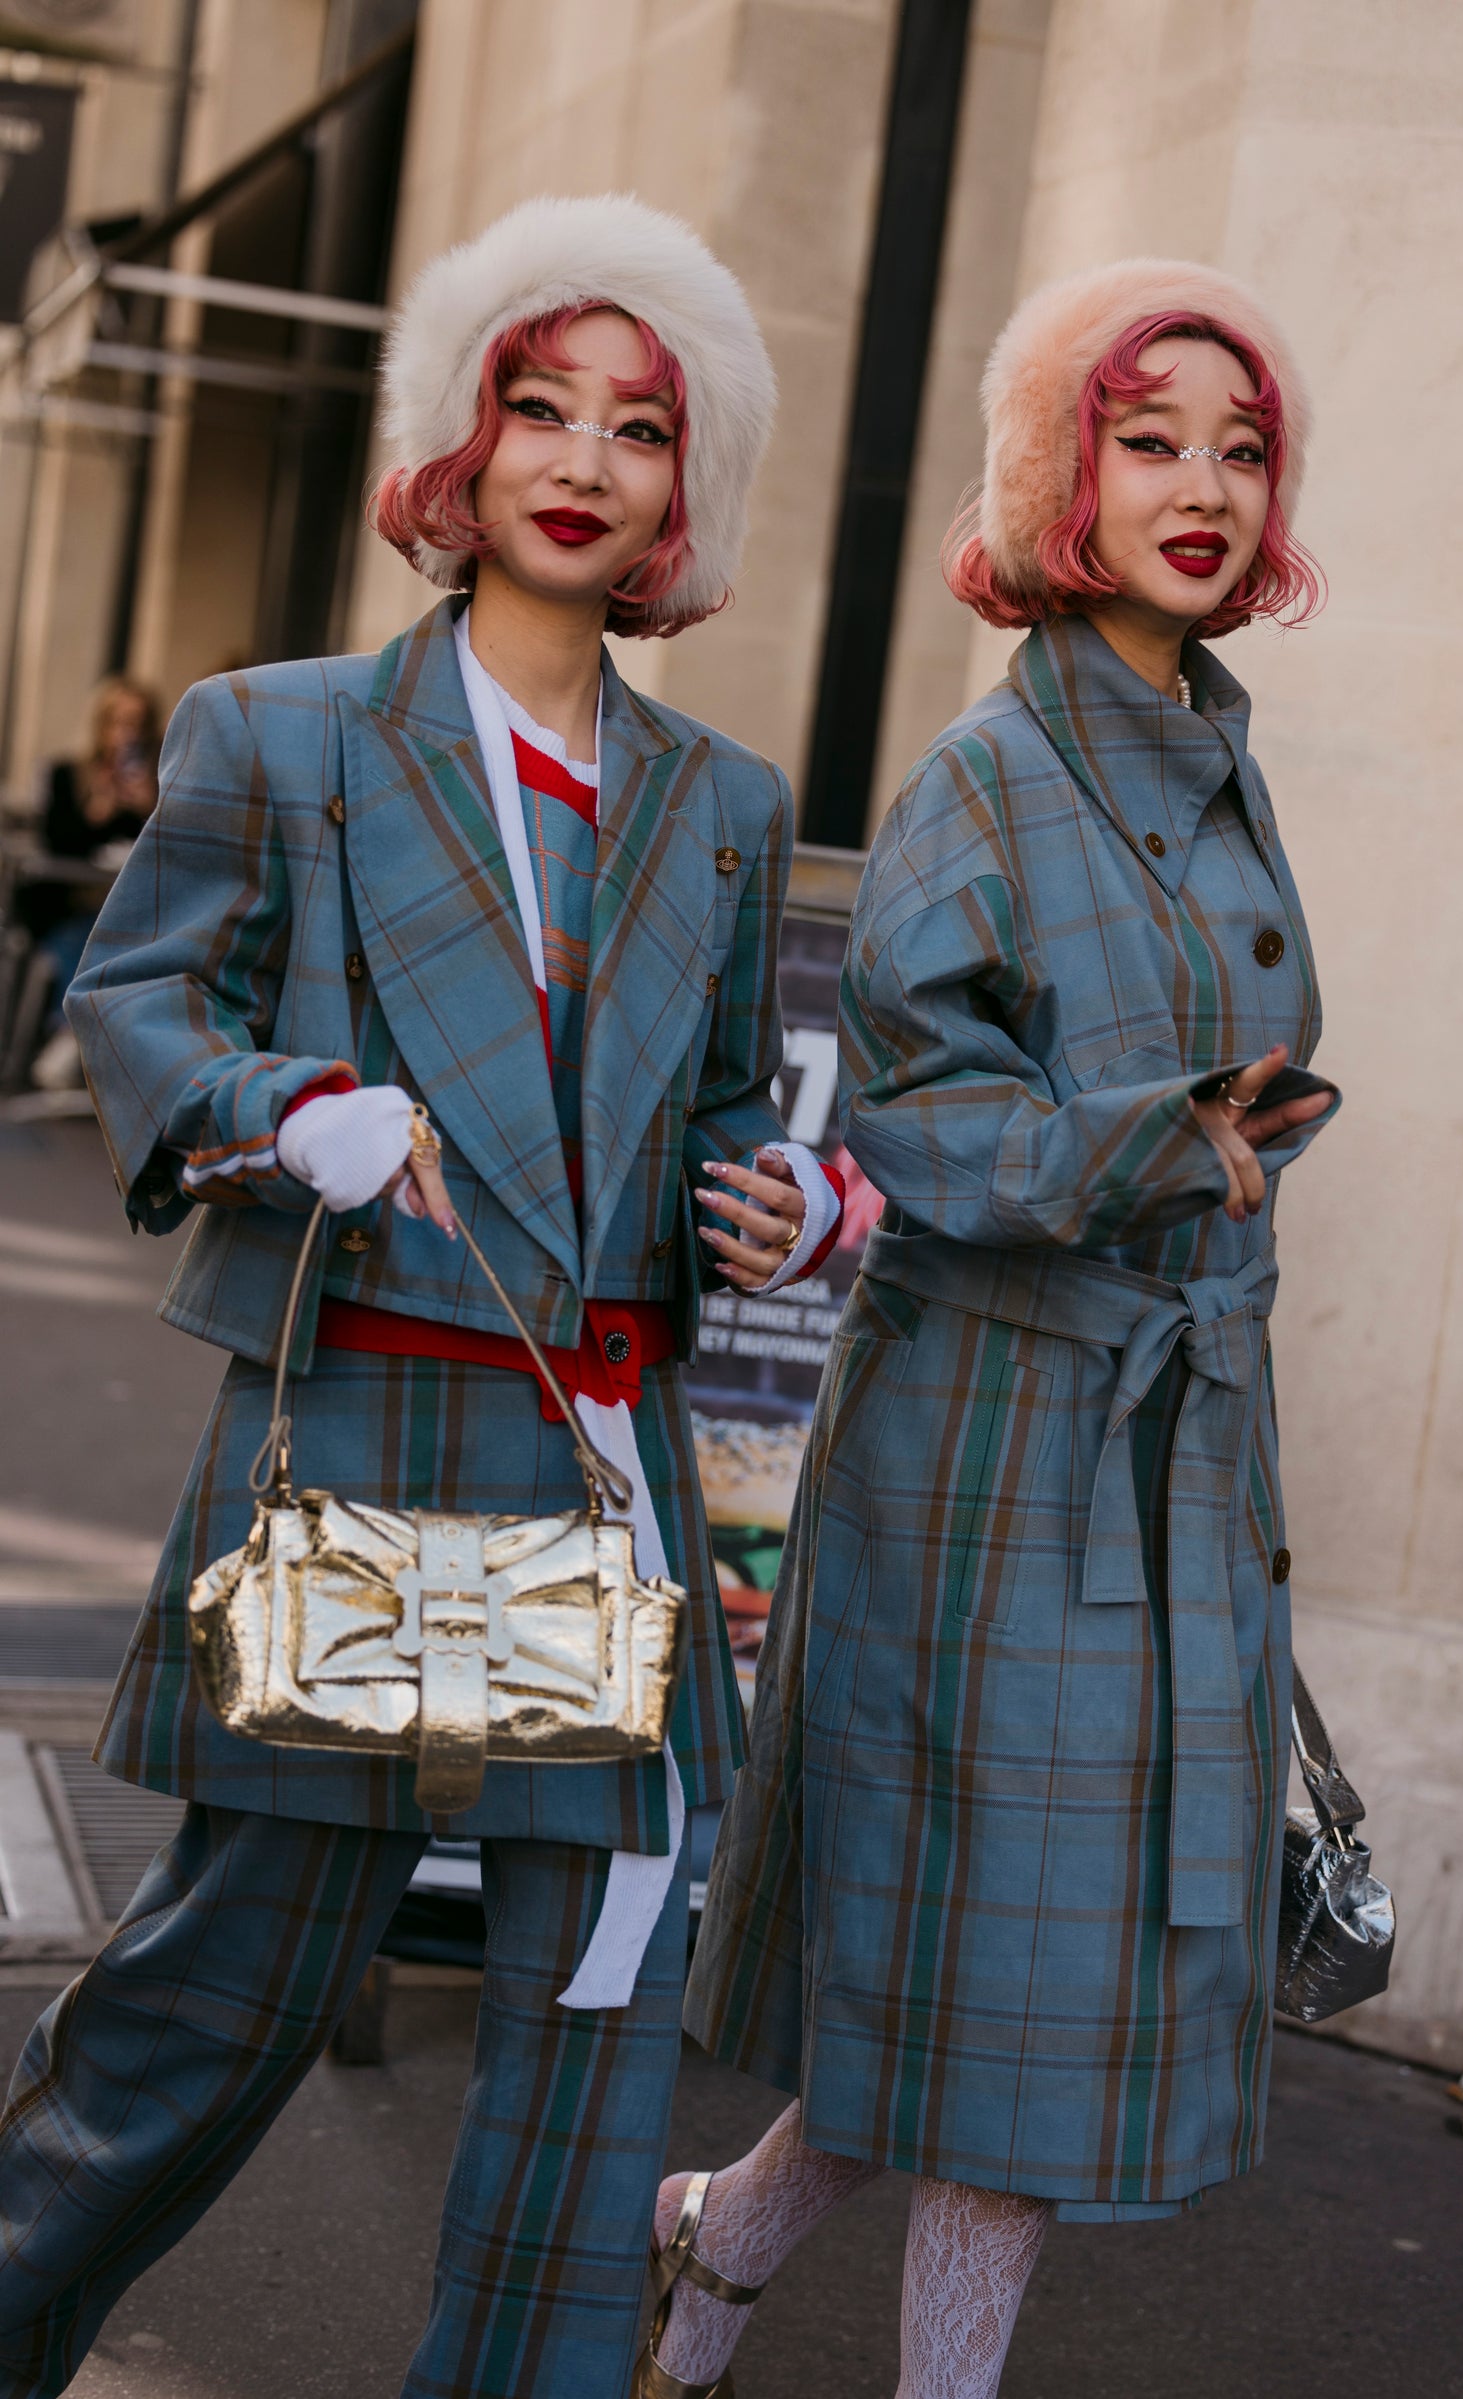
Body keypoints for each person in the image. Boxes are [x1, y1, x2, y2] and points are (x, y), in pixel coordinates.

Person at [0, 193, 842, 2399]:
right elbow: (137, 1000)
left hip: (598, 1459)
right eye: (537, 403)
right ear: (459, 448)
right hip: (358, 1428)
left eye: (639, 424)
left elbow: (711, 1118)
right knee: (214, 2002)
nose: (582, 455)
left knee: (589, 2041)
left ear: (688, 484)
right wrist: (285, 1104)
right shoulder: (277, 730)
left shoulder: (723, 806)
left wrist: (759, 1207)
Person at [659, 260, 1340, 2399]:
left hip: (1168, 1453)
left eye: (1239, 448)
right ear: (1058, 471)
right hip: (992, 1451)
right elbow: (920, 1116)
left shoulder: (1216, 757)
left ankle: (715, 2242)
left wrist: (1230, 1137)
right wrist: (1159, 1143)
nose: (1201, 484)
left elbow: (1191, 1077)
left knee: (993, 1988)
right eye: (1148, 439)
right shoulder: (987, 768)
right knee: (1019, 2001)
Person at [14, 677, 162, 1085]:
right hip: (71, 903)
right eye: (119, 721)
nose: (127, 733)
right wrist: (97, 807)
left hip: (128, 907)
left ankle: (89, 1041)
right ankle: (69, 1030)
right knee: (85, 937)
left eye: (137, 723)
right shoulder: (67, 774)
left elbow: (165, 852)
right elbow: (57, 843)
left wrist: (149, 807)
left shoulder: (157, 781)